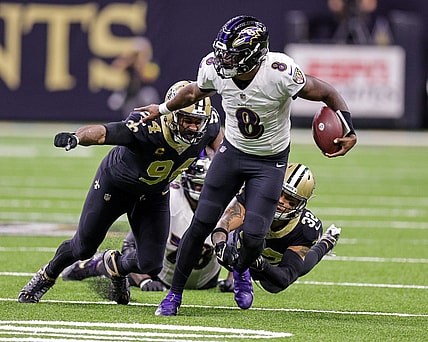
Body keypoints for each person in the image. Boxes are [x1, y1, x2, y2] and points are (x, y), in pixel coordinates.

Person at [137, 15, 357, 316]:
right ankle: (173, 296)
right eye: (223, 52)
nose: (224, 59)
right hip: (232, 152)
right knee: (200, 224)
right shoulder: (215, 67)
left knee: (253, 238)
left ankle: (240, 270)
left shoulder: (279, 72)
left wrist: (348, 127)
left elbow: (327, 92)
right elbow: (193, 91)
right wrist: (161, 108)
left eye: (232, 54)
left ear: (253, 54)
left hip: (270, 161)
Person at [17, 80, 223, 304]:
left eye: (197, 122)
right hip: (115, 187)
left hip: (153, 194)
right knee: (82, 247)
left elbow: (222, 150)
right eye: (188, 120)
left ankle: (114, 265)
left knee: (151, 264)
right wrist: (77, 137)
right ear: (172, 115)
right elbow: (104, 133)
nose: (194, 127)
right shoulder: (148, 125)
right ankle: (46, 276)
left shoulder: (210, 125)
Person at [61, 156, 228, 292]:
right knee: (132, 263)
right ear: (186, 181)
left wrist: (235, 279)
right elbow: (130, 244)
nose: (202, 191)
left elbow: (240, 243)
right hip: (161, 274)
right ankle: (95, 265)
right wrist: (144, 280)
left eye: (206, 186)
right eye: (198, 185)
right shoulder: (170, 200)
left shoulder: (225, 203)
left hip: (207, 280)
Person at [211, 162, 341, 294]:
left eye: (290, 200)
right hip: (243, 243)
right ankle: (232, 278)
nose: (281, 201)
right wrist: (220, 244)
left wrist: (261, 264)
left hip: (274, 263)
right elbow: (224, 224)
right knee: (230, 250)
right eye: (279, 193)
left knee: (273, 285)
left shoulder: (305, 228)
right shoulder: (252, 195)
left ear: (300, 205)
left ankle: (326, 243)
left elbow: (285, 277)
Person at [107, 37, 161, 118]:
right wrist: (128, 59)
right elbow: (116, 67)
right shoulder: (130, 64)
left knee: (148, 95)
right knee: (126, 110)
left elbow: (148, 78)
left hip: (144, 93)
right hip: (131, 94)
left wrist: (140, 64)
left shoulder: (151, 63)